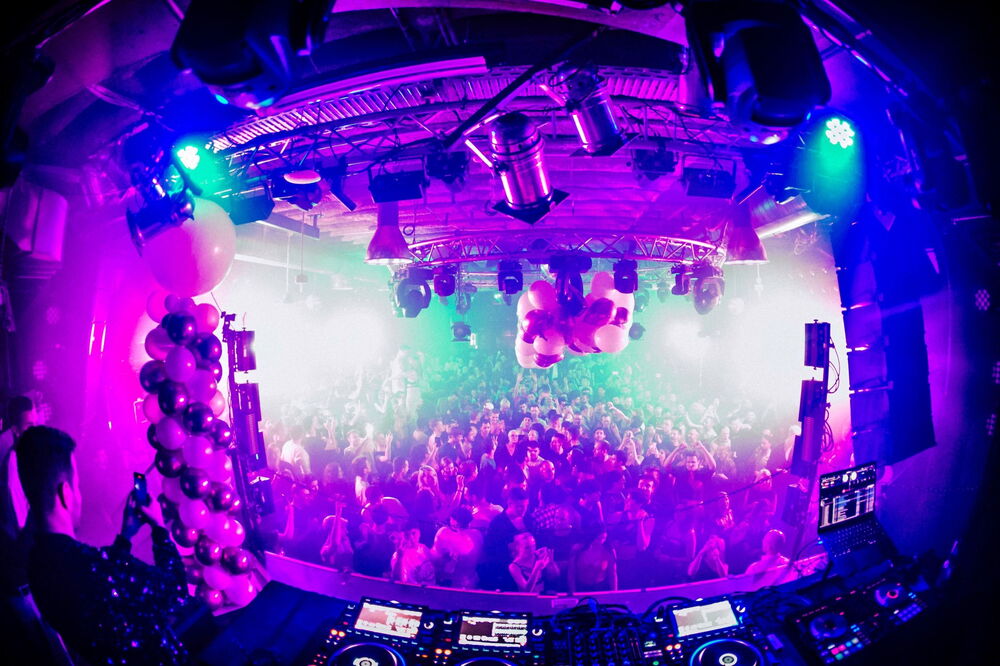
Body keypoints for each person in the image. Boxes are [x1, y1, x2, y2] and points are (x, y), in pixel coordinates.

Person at [16, 426, 210, 664]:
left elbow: (105, 589)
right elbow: (176, 593)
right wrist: (159, 529)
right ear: (65, 493)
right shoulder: (87, 565)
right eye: (77, 485)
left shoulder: (37, 567)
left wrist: (125, 537)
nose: (79, 495)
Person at [1, 396, 35, 536]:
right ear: (15, 430)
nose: (34, 430)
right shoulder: (14, 461)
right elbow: (20, 519)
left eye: (35, 424)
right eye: (29, 426)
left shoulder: (32, 454)